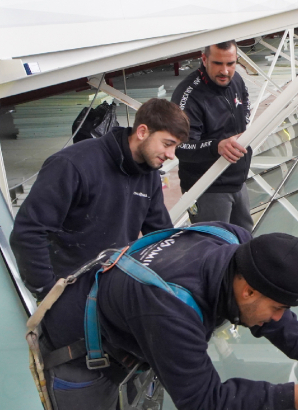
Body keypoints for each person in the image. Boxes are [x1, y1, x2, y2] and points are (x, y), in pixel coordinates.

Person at [36, 221, 298, 410]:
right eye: (277, 307)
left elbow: (270, 312)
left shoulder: (232, 241)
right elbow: (202, 401)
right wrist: (290, 396)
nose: (278, 317)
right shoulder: (170, 309)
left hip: (131, 328)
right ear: (248, 289)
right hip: (77, 351)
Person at [11, 98, 187, 298]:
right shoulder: (72, 165)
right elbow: (28, 233)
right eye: (167, 144)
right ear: (142, 132)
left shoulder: (148, 173)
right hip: (69, 290)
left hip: (111, 288)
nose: (172, 155)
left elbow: (160, 235)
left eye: (176, 147)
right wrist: (48, 293)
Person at [171, 41, 253, 229]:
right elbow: (180, 147)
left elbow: (245, 105)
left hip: (237, 181)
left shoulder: (237, 80)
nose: (225, 71)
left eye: (230, 63)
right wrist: (216, 146)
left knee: (246, 243)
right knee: (214, 248)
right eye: (217, 63)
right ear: (204, 59)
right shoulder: (189, 95)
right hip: (208, 188)